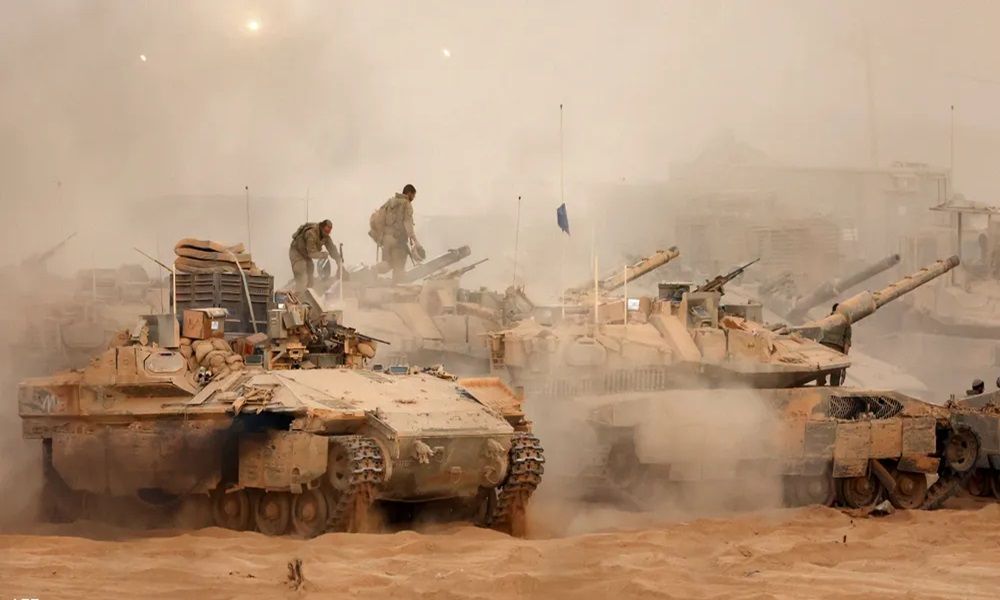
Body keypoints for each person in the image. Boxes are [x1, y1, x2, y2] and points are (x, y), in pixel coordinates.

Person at [369, 184, 424, 283]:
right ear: (409, 193)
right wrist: (416, 242)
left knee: (387, 263)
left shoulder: (390, 202)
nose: (413, 198)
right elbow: (408, 225)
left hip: (386, 240)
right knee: (399, 268)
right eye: (413, 195)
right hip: (398, 241)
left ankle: (373, 269)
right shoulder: (406, 204)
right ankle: (397, 289)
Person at [289, 219, 342, 295]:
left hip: (306, 255)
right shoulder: (311, 233)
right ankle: (299, 296)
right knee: (302, 275)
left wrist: (339, 260)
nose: (327, 233)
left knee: (310, 276)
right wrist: (323, 255)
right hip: (297, 253)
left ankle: (308, 296)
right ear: (321, 227)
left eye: (329, 232)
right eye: (326, 231)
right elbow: (312, 253)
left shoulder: (325, 236)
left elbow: (332, 249)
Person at [819, 303, 852, 386]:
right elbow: (846, 344)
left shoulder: (826, 319)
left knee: (820, 376)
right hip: (836, 351)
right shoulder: (846, 323)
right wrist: (844, 364)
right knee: (835, 379)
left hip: (822, 349)